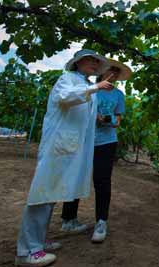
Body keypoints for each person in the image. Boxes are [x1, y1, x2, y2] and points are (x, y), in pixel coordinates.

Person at [15, 49, 114, 266]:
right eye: (90, 61)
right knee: (41, 194)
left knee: (50, 194)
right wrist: (95, 87)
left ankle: (38, 241)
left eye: (97, 62)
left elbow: (85, 116)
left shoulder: (84, 84)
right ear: (77, 62)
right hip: (57, 147)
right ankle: (26, 251)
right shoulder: (67, 79)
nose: (95, 65)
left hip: (68, 148)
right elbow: (65, 98)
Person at [61, 59, 131, 243]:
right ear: (102, 71)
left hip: (107, 141)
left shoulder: (118, 95)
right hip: (85, 140)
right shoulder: (90, 89)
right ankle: (68, 219)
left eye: (116, 74)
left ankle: (101, 222)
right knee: (76, 176)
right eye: (110, 71)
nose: (112, 75)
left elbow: (118, 119)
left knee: (102, 181)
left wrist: (110, 121)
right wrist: (94, 117)